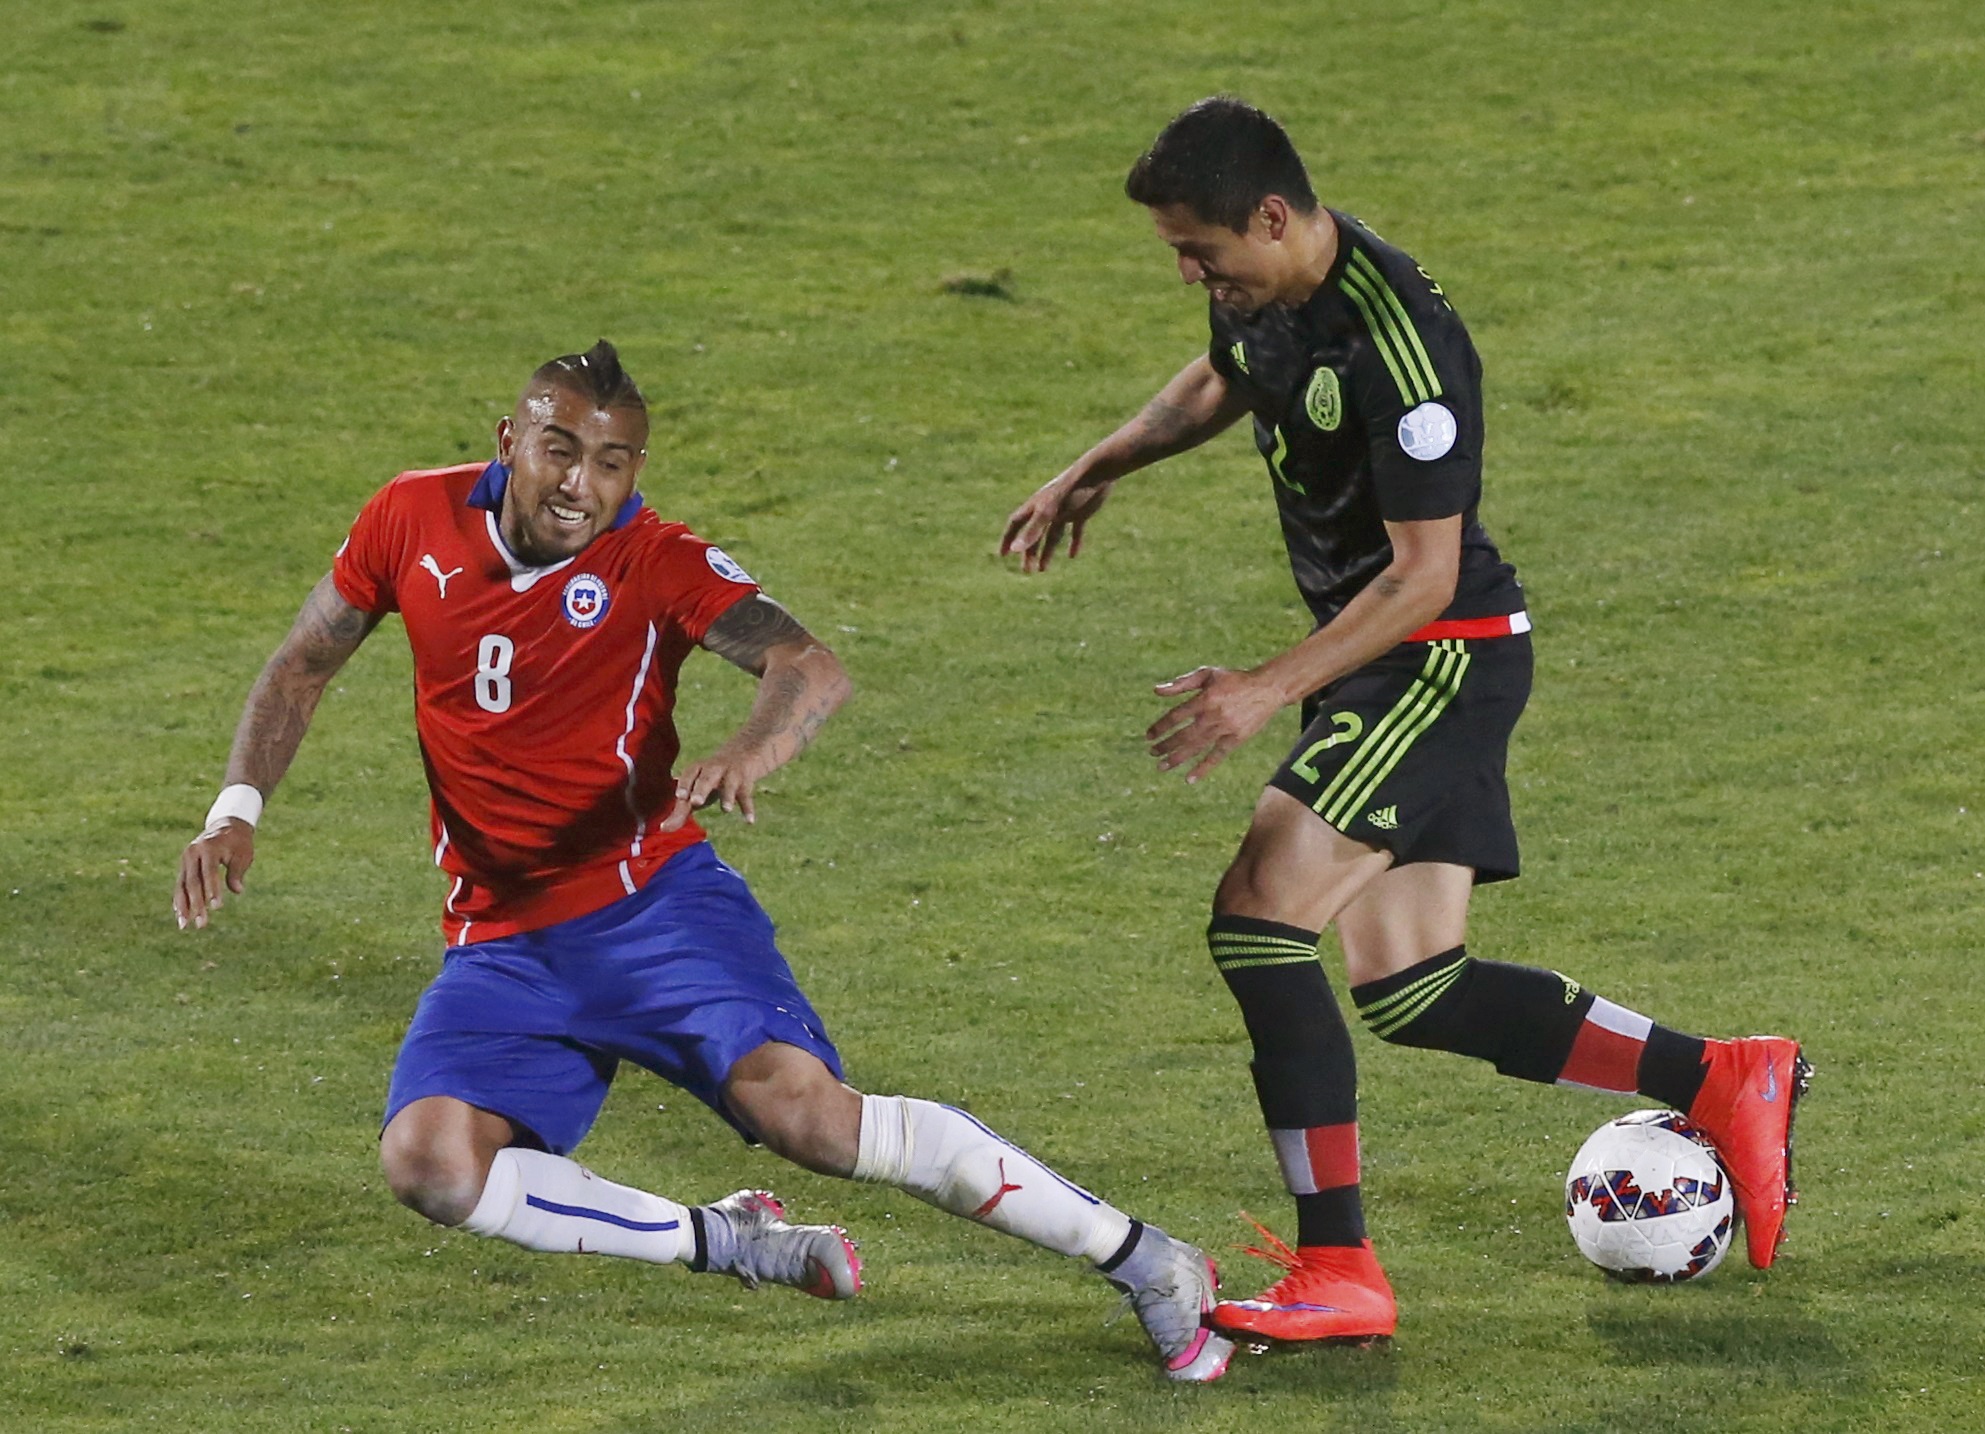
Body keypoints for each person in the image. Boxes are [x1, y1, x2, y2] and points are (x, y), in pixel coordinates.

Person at [175, 341, 1232, 1383]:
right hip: (499, 940)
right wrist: (234, 809)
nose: (580, 485)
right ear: (509, 441)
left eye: (611, 464)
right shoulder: (409, 516)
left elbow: (805, 667)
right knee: (430, 1167)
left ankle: (1146, 1260)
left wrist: (751, 745)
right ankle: (723, 1240)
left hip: (652, 911)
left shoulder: (655, 558)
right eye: (557, 451)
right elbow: (303, 662)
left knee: (809, 1119)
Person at [1000, 98, 1809, 1346]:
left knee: (1260, 924)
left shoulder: (1403, 348)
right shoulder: (1263, 294)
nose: (1186, 273)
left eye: (1199, 252)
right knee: (1411, 988)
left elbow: (1423, 576)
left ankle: (1340, 1269)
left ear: (1272, 216)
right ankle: (1716, 1074)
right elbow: (1228, 375)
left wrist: (1266, 685)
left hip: (1436, 656)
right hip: (1389, 656)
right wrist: (1097, 463)